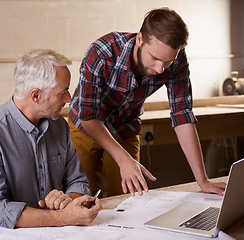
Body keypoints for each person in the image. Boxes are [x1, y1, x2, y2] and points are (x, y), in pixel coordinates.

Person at [68, 7, 226, 198]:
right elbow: (88, 116)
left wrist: (202, 180)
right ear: (140, 39)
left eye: (167, 62)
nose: (160, 69)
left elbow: (182, 115)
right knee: (84, 198)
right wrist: (123, 159)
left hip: (125, 128)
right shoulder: (102, 52)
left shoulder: (175, 59)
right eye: (155, 58)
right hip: (86, 126)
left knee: (132, 200)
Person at [0, 49, 101, 229]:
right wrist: (62, 217)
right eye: (63, 92)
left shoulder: (59, 125)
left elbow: (77, 181)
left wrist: (68, 201)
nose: (69, 99)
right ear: (36, 95)